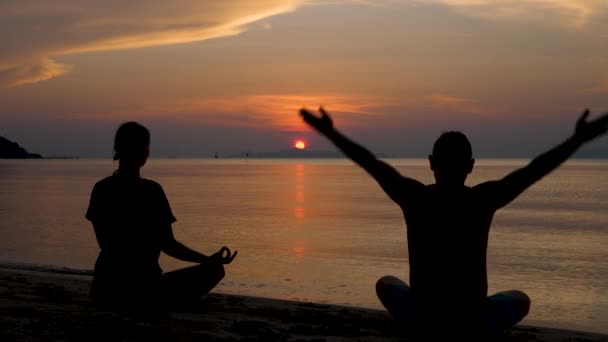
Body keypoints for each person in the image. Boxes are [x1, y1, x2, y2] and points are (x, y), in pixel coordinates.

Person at [300, 107, 608, 337]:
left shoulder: (414, 197)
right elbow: (535, 169)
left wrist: (330, 133)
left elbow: (371, 164)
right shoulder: (482, 200)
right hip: (472, 323)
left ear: (431, 163)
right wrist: (577, 139)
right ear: (471, 166)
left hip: (422, 318)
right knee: (520, 300)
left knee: (385, 283)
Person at [86, 122, 237, 313]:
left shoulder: (102, 189)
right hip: (145, 287)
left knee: (208, 270)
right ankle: (177, 302)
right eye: (146, 146)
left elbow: (106, 244)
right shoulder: (151, 190)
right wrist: (208, 261)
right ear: (143, 152)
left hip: (105, 287)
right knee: (215, 270)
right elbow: (169, 245)